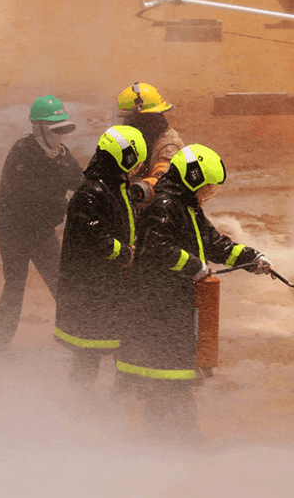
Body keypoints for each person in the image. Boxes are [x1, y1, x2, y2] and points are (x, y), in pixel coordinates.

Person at [115, 144, 271, 440]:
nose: (207, 195)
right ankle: (186, 441)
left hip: (171, 308)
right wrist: (194, 266)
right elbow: (158, 250)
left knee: (168, 380)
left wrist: (252, 259)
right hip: (158, 309)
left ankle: (158, 441)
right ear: (193, 179)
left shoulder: (185, 207)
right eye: (207, 188)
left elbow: (214, 243)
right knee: (173, 378)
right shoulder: (165, 207)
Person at [0, 96, 83, 353]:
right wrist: (68, 207)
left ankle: (75, 337)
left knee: (62, 281)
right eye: (54, 129)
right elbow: (32, 196)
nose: (59, 135)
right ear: (38, 127)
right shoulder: (22, 152)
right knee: (15, 284)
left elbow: (82, 184)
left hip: (41, 229)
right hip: (13, 229)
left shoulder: (62, 156)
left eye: (62, 129)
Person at [54, 125, 146, 389]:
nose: (138, 168)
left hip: (107, 288)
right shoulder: (92, 193)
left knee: (116, 350)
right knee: (89, 354)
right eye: (136, 161)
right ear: (126, 159)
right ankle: (81, 407)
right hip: (92, 292)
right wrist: (128, 253)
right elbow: (96, 241)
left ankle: (113, 401)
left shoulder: (115, 187)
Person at [116, 82, 183, 207]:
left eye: (129, 118)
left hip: (160, 209)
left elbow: (166, 178)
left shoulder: (169, 145)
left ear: (143, 118)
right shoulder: (138, 139)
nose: (125, 123)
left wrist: (138, 190)